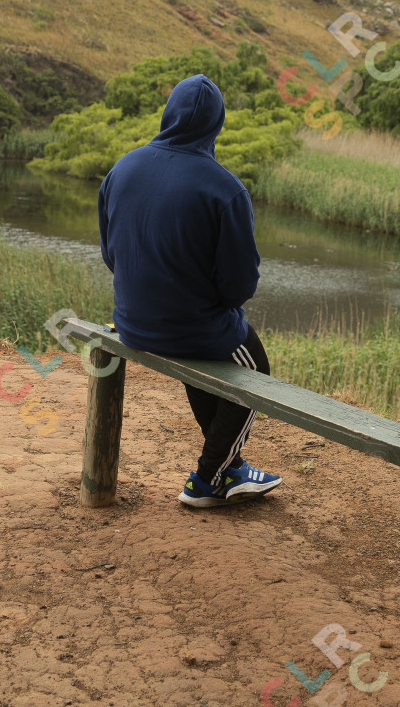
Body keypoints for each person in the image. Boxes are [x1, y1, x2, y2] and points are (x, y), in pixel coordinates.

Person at [97, 73, 281, 508]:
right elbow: (239, 287)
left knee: (211, 355)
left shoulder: (122, 168)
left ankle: (230, 467)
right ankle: (209, 479)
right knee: (254, 371)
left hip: (131, 323)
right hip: (187, 330)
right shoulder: (225, 189)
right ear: (217, 124)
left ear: (169, 114)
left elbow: (111, 255)